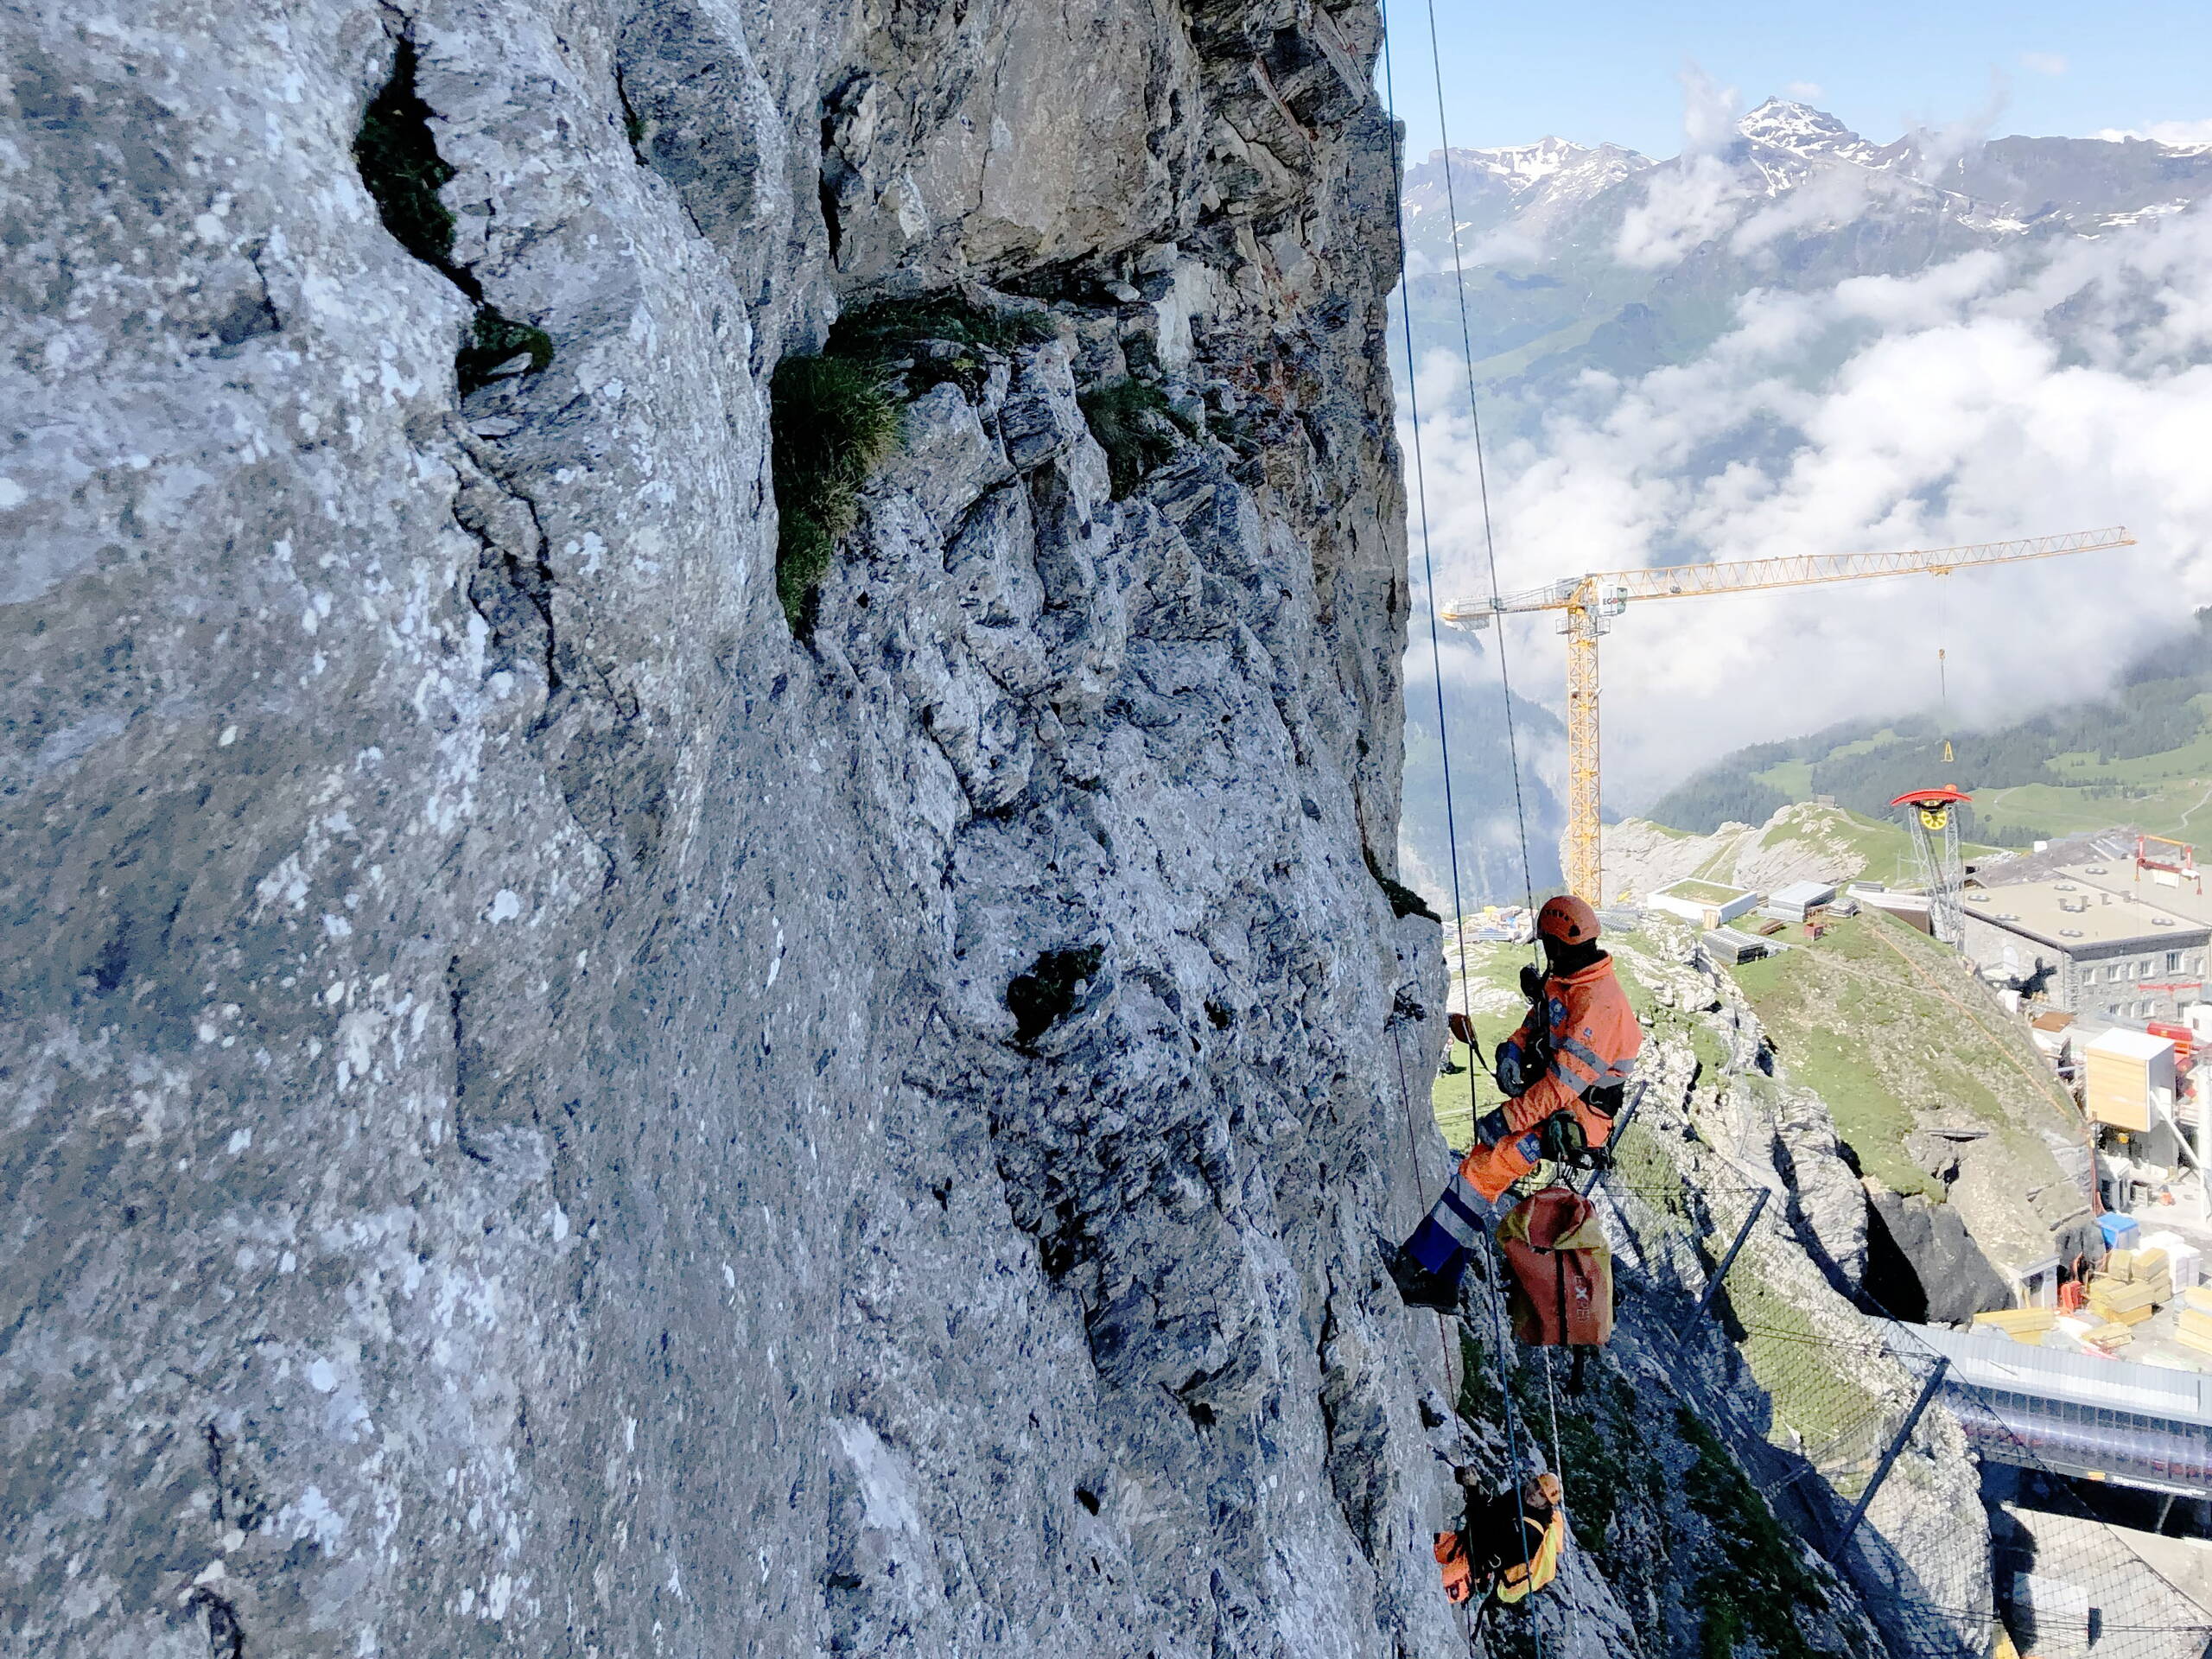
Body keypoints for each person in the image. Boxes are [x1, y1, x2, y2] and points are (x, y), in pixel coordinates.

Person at [1392, 894, 1640, 1310]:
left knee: (1485, 1170)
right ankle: (1440, 1278)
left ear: (1557, 944)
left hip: (1575, 1118)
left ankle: (1421, 1268)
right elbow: (1537, 1025)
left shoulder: (1600, 1005)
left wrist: (1507, 1118)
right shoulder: (1568, 980)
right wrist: (1511, 1048)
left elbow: (1560, 1086)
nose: (1546, 953)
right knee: (1479, 1171)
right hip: (1553, 1106)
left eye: (1547, 944)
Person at [1433, 1471, 1566, 1607]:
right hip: (1466, 1545)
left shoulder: (1532, 1533)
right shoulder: (1518, 1495)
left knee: (1431, 1587)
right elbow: (1493, 1510)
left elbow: (1487, 1540)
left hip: (1475, 1568)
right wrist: (1474, 1485)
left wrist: (1473, 1491)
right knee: (1417, 1547)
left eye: (1542, 1495)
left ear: (1545, 1504)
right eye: (1536, 1485)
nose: (1535, 1493)